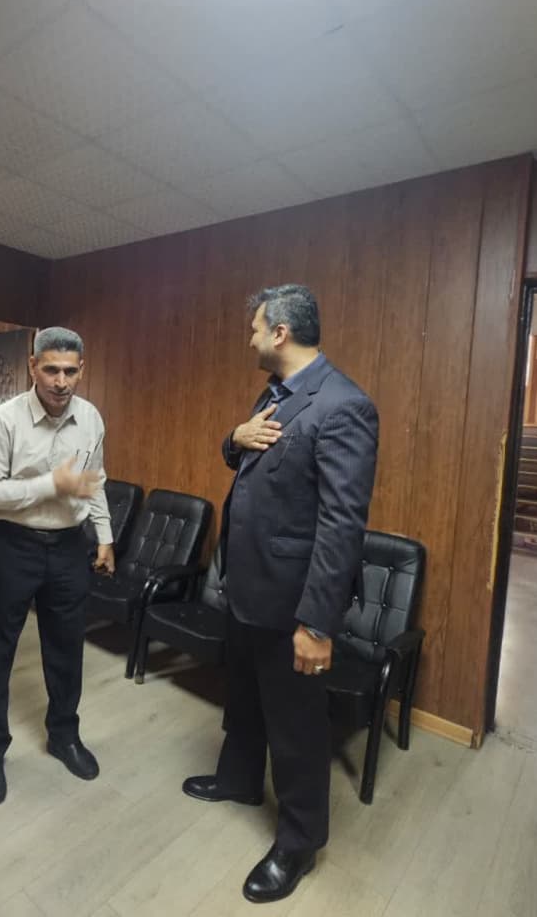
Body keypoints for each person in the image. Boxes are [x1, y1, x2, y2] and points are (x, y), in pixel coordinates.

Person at [183, 285, 379, 903]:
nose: (249, 338)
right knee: (243, 700)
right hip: (248, 589)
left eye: (254, 328)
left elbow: (342, 526)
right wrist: (233, 437)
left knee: (296, 729)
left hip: (293, 605)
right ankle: (239, 781)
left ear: (280, 333)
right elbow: (245, 457)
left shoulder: (343, 406)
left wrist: (317, 624)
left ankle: (298, 842)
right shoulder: (276, 394)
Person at [0, 326, 114, 805]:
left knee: (67, 648)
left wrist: (105, 535)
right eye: (51, 369)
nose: (60, 381)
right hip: (14, 546)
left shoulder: (90, 418)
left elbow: (94, 479)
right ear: (32, 366)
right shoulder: (2, 421)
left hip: (70, 547)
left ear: (81, 370)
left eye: (70, 371)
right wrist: (51, 484)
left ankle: (64, 736)